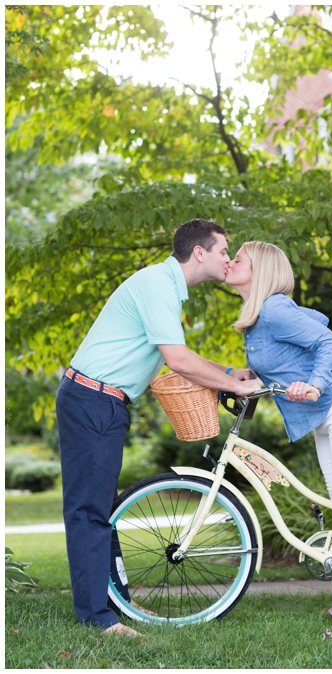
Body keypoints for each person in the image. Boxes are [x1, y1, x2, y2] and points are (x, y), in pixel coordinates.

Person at [56, 219, 260, 636]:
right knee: (90, 512)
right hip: (92, 400)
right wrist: (238, 385)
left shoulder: (164, 286)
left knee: (100, 508)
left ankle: (113, 602)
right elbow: (178, 360)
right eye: (224, 250)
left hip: (102, 401)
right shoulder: (158, 286)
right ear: (199, 253)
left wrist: (228, 373)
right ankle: (98, 618)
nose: (228, 258)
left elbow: (178, 353)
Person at [223, 241, 332, 636]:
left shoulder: (274, 309)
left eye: (239, 259)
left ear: (260, 270)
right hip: (326, 416)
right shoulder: (257, 318)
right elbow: (280, 364)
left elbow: (328, 343)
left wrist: (314, 384)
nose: (230, 262)